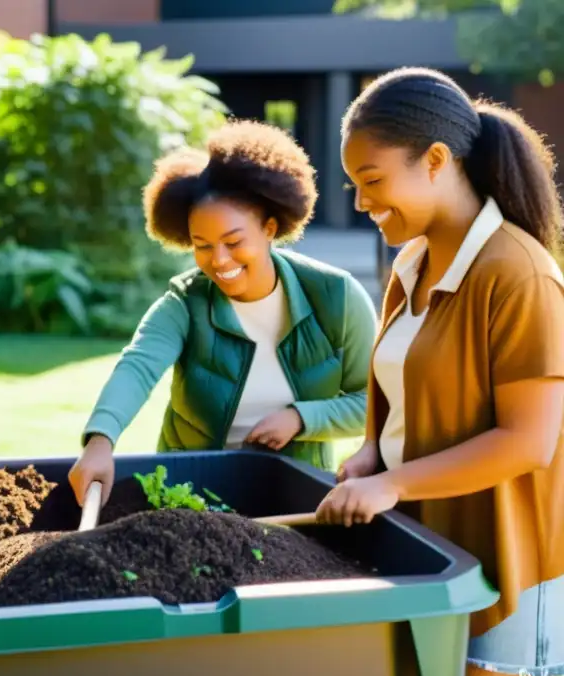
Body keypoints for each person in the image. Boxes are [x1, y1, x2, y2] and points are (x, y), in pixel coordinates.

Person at [315, 67, 564, 676]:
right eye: (354, 186)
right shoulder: (412, 265)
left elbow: (529, 441)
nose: (362, 203)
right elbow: (396, 386)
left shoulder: (519, 275)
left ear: (433, 160)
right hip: (438, 556)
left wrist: (393, 485)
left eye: (372, 181)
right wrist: (370, 455)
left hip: (517, 568)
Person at [69, 120, 379, 506]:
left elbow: (374, 403)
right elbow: (138, 367)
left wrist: (301, 417)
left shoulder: (336, 297)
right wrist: (101, 440)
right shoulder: (185, 302)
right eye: (202, 245)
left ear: (269, 227)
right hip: (189, 496)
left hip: (292, 496)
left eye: (234, 242)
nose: (218, 260)